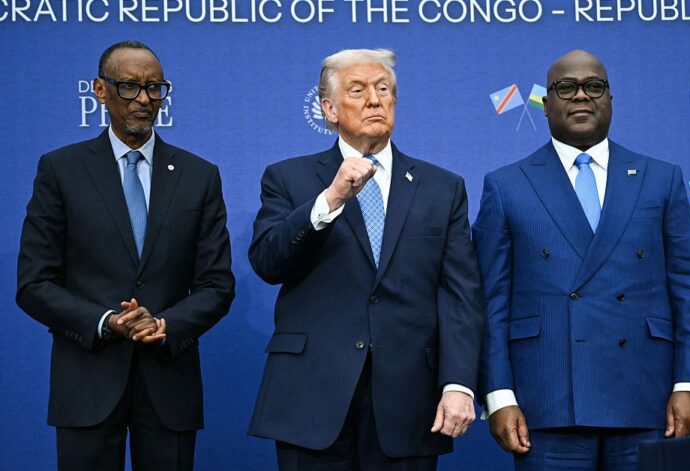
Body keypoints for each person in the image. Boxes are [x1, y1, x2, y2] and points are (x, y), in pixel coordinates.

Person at [473, 50, 690, 470]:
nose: (581, 96)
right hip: (546, 402)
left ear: (610, 99)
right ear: (546, 104)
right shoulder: (507, 185)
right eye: (566, 87)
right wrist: (499, 395)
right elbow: (489, 303)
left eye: (594, 86)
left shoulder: (661, 179)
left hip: (647, 398)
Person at [247, 48, 483, 470]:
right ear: (329, 109)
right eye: (358, 90)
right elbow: (268, 262)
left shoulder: (442, 188)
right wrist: (330, 199)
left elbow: (461, 295)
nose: (375, 99)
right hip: (312, 396)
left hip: (409, 400)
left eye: (383, 89)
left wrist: (459, 383)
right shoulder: (288, 178)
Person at [16, 40, 235, 470]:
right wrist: (106, 321)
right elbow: (34, 283)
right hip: (87, 380)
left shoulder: (199, 175)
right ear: (100, 90)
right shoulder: (61, 170)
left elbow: (217, 284)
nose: (144, 99)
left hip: (169, 381)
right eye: (130, 86)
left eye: (155, 88)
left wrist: (164, 324)